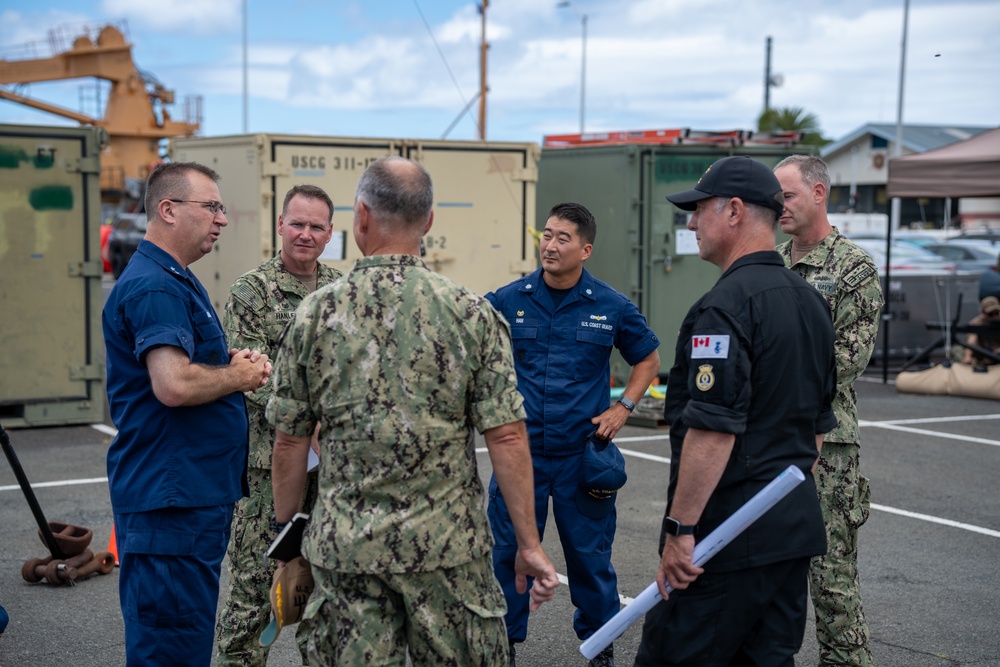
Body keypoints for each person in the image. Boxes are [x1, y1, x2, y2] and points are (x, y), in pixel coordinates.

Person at [266, 156, 559, 665]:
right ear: (428, 221)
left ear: (360, 216)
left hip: (348, 553)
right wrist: (529, 544)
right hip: (448, 550)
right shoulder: (472, 312)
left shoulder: (315, 313)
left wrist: (287, 536)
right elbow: (507, 438)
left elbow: (290, 440)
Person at [634, 155, 837, 666]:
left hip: (723, 540)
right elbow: (816, 432)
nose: (691, 223)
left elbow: (711, 431)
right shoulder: (809, 301)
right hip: (788, 532)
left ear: (735, 212)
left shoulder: (723, 308)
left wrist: (681, 531)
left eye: (699, 210)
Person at [103, 162, 272, 664]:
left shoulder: (172, 277)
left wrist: (228, 365)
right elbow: (173, 384)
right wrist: (239, 377)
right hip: (171, 506)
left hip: (185, 501)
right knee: (171, 648)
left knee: (182, 639)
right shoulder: (156, 286)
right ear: (168, 210)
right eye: (211, 207)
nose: (222, 219)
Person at [486, 202, 661, 667]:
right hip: (518, 456)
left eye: (563, 238)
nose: (550, 245)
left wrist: (623, 407)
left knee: (590, 560)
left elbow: (648, 359)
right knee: (506, 554)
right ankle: (504, 645)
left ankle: (600, 648)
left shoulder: (610, 305)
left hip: (580, 458)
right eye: (546, 234)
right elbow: (470, 345)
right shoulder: (508, 299)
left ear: (585, 249)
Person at [216, 185, 343, 665]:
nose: (305, 234)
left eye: (316, 226)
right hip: (268, 468)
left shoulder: (339, 290)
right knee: (253, 592)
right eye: (297, 224)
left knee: (328, 595)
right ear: (280, 225)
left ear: (331, 234)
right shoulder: (252, 291)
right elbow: (251, 377)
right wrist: (306, 419)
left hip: (328, 473)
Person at [774, 154, 883, 666]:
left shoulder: (853, 268)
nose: (779, 206)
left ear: (818, 194)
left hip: (828, 448)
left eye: (788, 195)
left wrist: (772, 382)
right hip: (769, 441)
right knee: (769, 576)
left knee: (831, 582)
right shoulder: (771, 262)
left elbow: (846, 359)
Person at [962, 295, 1000, 366]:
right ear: (983, 313)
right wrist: (968, 357)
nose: (994, 316)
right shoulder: (977, 324)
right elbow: (971, 341)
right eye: (990, 314)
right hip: (985, 353)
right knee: (957, 350)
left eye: (997, 313)